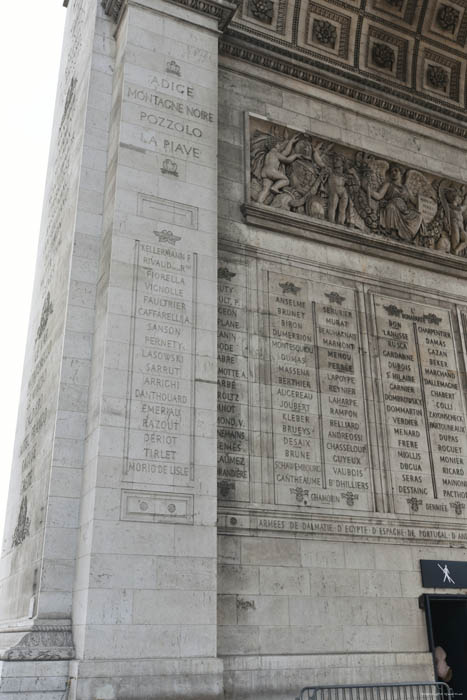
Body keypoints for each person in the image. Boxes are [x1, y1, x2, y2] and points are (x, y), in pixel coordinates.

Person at [368, 163, 424, 242]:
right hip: (392, 207)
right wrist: (368, 190)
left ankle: (409, 236)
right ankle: (393, 232)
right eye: (391, 172)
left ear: (401, 173)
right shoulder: (388, 184)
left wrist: (424, 197)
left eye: (396, 171)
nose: (393, 173)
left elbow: (415, 201)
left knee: (419, 216)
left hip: (404, 211)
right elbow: (379, 196)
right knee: (391, 207)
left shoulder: (406, 188)